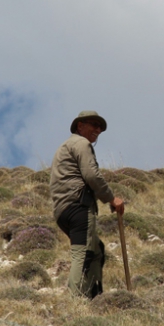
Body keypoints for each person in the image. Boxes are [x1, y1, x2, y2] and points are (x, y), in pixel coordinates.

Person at [50, 110, 124, 299]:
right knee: (83, 253)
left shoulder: (64, 146)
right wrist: (111, 198)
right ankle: (76, 300)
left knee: (96, 249)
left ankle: (93, 293)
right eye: (93, 124)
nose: (98, 129)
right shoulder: (81, 143)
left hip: (63, 211)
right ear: (80, 126)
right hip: (79, 207)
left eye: (100, 127)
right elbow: (91, 175)